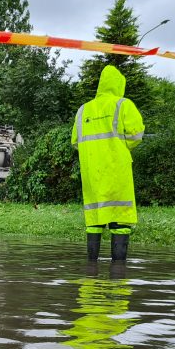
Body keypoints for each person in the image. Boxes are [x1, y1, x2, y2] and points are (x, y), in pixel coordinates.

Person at [71, 65, 145, 263]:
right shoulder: (123, 104)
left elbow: (76, 142)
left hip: (91, 174)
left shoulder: (83, 110)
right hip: (116, 171)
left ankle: (91, 270)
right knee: (120, 219)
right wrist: (119, 147)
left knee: (94, 220)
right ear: (119, 84)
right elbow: (137, 135)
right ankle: (118, 275)